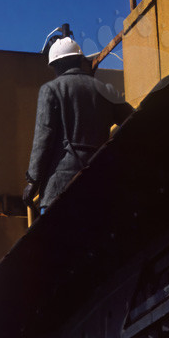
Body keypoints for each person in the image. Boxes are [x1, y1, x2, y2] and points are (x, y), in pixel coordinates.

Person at [23, 36, 133, 211]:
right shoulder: (106, 89)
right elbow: (132, 122)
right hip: (101, 180)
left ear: (56, 65)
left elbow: (43, 139)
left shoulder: (51, 90)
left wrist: (33, 182)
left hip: (62, 187)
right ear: (79, 60)